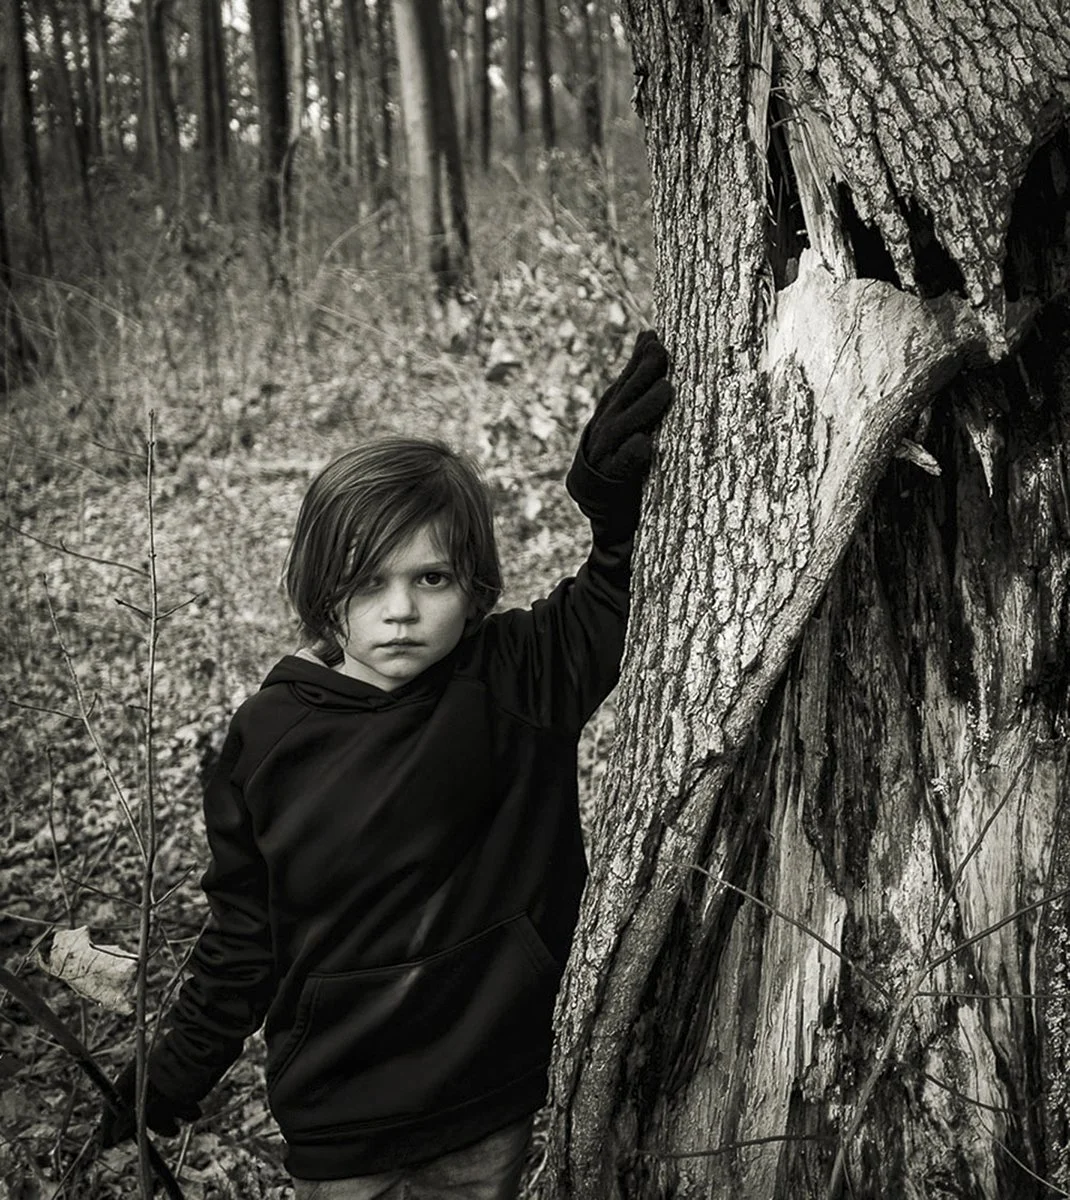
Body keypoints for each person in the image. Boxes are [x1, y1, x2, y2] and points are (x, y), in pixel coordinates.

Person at [99, 331, 673, 1199]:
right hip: (340, 1124)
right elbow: (242, 944)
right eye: (368, 582)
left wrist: (612, 502)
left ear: (473, 584)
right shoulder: (267, 739)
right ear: (321, 587)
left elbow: (620, 590)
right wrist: (170, 1077)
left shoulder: (516, 678)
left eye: (431, 578)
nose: (400, 610)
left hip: (485, 1101)